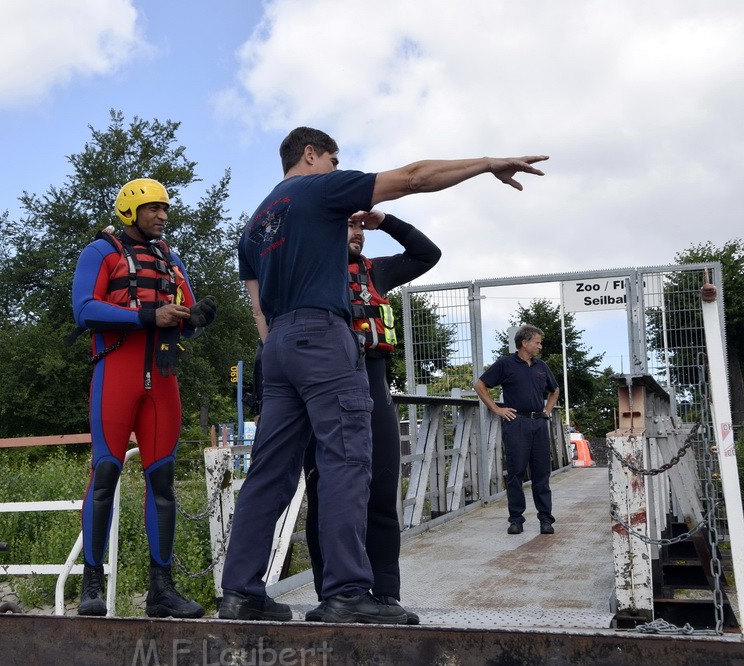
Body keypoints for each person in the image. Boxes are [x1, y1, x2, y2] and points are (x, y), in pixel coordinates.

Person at [218, 126, 547, 624]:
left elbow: (258, 310)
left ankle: (241, 593)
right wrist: (486, 163)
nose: (337, 168)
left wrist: (284, 347)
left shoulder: (256, 224)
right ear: (311, 154)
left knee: (269, 474)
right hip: (322, 336)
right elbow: (415, 176)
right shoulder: (317, 188)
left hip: (279, 346)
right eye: (334, 159)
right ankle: (348, 592)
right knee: (348, 462)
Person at [71, 178, 217, 618]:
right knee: (105, 473)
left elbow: (185, 317)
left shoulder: (171, 259)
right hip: (116, 373)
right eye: (154, 209)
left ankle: (161, 591)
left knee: (164, 483)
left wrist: (198, 318)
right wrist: (146, 315)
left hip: (163, 379)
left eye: (165, 209)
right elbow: (84, 309)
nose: (163, 216)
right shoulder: (101, 251)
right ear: (131, 210)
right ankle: (92, 585)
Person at [303, 210, 440, 623]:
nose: (358, 233)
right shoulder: (304, 271)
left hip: (374, 386)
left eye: (361, 226)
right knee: (324, 495)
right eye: (349, 224)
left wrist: (386, 220)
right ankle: (332, 594)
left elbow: (427, 253)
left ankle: (385, 595)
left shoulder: (377, 272)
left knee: (381, 494)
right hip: (324, 389)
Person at [473, 324, 560, 535]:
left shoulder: (541, 366)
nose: (540, 346)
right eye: (537, 342)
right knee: (516, 473)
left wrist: (547, 410)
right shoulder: (505, 364)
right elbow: (479, 385)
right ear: (525, 342)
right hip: (516, 423)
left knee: (542, 473)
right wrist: (496, 409)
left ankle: (545, 520)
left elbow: (555, 389)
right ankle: (516, 520)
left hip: (538, 423)